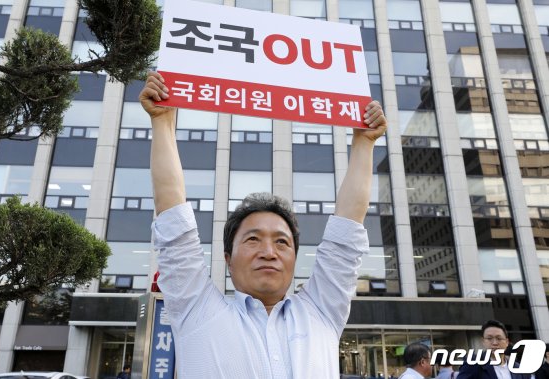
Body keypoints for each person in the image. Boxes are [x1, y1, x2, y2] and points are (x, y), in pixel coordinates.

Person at [140, 71, 387, 378]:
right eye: (253, 239)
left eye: (282, 242)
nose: (268, 251)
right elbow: (172, 213)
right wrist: (163, 122)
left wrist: (364, 142)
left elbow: (348, 228)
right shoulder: (196, 309)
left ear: (295, 258)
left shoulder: (323, 310)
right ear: (228, 259)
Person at [457, 320, 530, 379]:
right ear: (483, 342)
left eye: (499, 338)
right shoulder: (473, 364)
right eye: (489, 338)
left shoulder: (519, 368)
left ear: (507, 342)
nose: (494, 343)